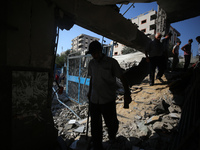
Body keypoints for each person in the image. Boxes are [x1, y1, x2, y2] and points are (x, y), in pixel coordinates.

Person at [86, 41, 132, 150]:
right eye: (92, 53)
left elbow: (122, 77)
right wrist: (89, 91)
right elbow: (92, 78)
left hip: (107, 99)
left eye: (95, 53)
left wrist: (127, 92)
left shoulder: (111, 63)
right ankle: (98, 145)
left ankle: (112, 137)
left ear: (100, 51)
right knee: (95, 126)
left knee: (111, 123)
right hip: (94, 99)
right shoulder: (91, 63)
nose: (93, 55)